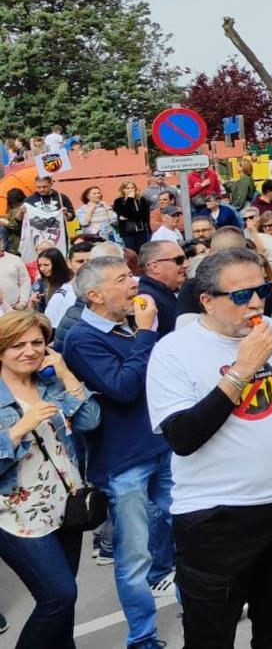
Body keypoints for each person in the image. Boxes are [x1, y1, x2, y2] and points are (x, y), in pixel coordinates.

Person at [146, 248, 272, 647]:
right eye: (242, 296)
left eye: (262, 289)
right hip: (216, 519)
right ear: (207, 301)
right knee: (211, 637)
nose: (258, 302)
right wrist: (243, 369)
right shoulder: (173, 352)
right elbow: (183, 437)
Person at [61, 257, 175, 649]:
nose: (135, 284)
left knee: (191, 531)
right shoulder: (81, 339)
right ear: (95, 295)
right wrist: (145, 334)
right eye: (123, 279)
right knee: (134, 558)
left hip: (161, 444)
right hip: (124, 461)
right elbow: (123, 387)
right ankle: (143, 640)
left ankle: (196, 606)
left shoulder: (129, 325)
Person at [0, 311, 98, 648]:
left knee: (63, 603)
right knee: (59, 595)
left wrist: (66, 373)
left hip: (65, 506)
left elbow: (89, 421)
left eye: (37, 343)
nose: (29, 351)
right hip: (17, 516)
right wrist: (19, 428)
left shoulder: (49, 383)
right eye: (18, 345)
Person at [137, 240, 187, 336]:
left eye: (186, 259)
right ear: (155, 267)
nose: (186, 265)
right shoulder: (147, 298)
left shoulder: (164, 291)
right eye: (179, 260)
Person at [36, 248, 74, 326]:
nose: (42, 269)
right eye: (40, 265)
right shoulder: (41, 283)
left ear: (57, 265)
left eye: (46, 265)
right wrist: (33, 303)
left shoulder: (72, 280)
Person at [113, 181, 153, 253]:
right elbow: (124, 214)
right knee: (131, 253)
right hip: (127, 232)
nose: (130, 190)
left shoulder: (141, 200)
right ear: (123, 190)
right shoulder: (118, 201)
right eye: (127, 188)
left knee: (143, 252)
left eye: (132, 188)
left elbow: (144, 216)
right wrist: (130, 199)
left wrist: (128, 216)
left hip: (141, 231)